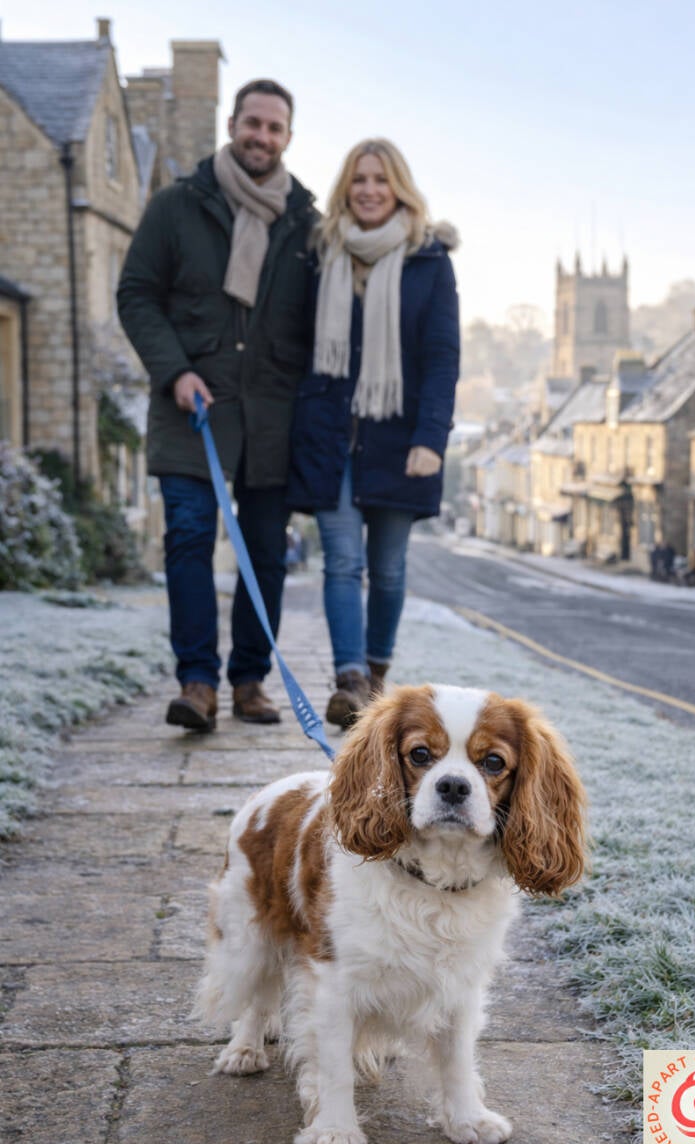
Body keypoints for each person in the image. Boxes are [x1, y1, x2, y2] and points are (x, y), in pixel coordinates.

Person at [118, 80, 316, 732]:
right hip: (191, 409)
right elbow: (137, 293)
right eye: (252, 123)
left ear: (288, 137)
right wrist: (174, 370)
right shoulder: (178, 206)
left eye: (275, 128)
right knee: (189, 540)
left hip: (270, 417)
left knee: (265, 552)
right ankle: (197, 682)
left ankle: (250, 681)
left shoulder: (305, 225)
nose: (261, 136)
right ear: (232, 124)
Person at [287, 138, 459, 729]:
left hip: (399, 439)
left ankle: (377, 677)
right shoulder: (321, 253)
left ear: (399, 189)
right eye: (359, 179)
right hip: (331, 437)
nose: (368, 190)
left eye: (380, 180)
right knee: (340, 562)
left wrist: (431, 439)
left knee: (387, 569)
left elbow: (441, 357)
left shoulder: (428, 260)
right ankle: (350, 678)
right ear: (345, 187)